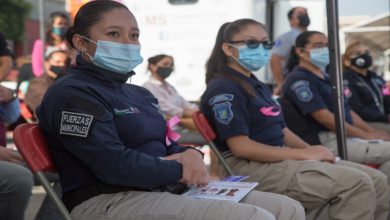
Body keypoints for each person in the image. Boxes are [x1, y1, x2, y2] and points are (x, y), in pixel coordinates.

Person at [36, 1, 305, 220]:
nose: (128, 43)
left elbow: (167, 143)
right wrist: (179, 170)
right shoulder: (73, 94)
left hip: (166, 188)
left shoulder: (138, 93)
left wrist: (190, 155)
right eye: (113, 34)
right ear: (82, 43)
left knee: (288, 208)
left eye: (134, 35)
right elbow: (113, 166)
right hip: (109, 200)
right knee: (256, 217)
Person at [200, 19, 389, 220]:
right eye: (252, 43)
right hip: (250, 165)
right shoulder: (224, 88)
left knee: (375, 179)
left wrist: (309, 150)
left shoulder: (254, 84)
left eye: (266, 43)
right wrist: (303, 155)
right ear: (228, 49)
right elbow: (241, 147)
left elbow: (281, 130)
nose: (261, 49)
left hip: (277, 157)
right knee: (357, 183)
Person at [282, 31, 390, 188]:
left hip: (345, 135)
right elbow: (324, 117)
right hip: (327, 139)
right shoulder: (300, 79)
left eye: (327, 45)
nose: (325, 50)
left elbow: (347, 110)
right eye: (318, 46)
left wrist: (370, 132)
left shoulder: (327, 77)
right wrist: (365, 135)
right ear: (300, 51)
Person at [143, 54, 205, 145]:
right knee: (212, 139)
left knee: (214, 135)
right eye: (165, 64)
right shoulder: (148, 87)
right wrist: (199, 114)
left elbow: (185, 104)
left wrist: (201, 112)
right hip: (169, 133)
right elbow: (169, 110)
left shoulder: (169, 86)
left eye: (171, 65)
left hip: (182, 127)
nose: (169, 67)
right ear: (152, 66)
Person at [343, 41, 390, 134]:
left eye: (367, 52)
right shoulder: (347, 80)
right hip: (365, 124)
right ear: (347, 61)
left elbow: (387, 97)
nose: (364, 55)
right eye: (358, 53)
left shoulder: (376, 78)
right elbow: (356, 109)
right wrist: (386, 118)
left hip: (383, 120)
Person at [270, 7, 310, 95]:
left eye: (306, 13)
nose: (305, 15)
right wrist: (281, 84)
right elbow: (275, 60)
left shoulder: (312, 36)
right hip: (293, 84)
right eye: (300, 13)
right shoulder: (287, 37)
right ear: (291, 19)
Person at [25, 50, 70, 115]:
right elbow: (49, 105)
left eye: (66, 63)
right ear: (46, 65)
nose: (63, 65)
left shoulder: (64, 82)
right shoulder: (37, 83)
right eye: (58, 62)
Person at [32, 11, 69, 77]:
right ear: (51, 25)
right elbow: (37, 69)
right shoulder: (41, 44)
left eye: (65, 24)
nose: (63, 26)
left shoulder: (70, 44)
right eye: (59, 23)